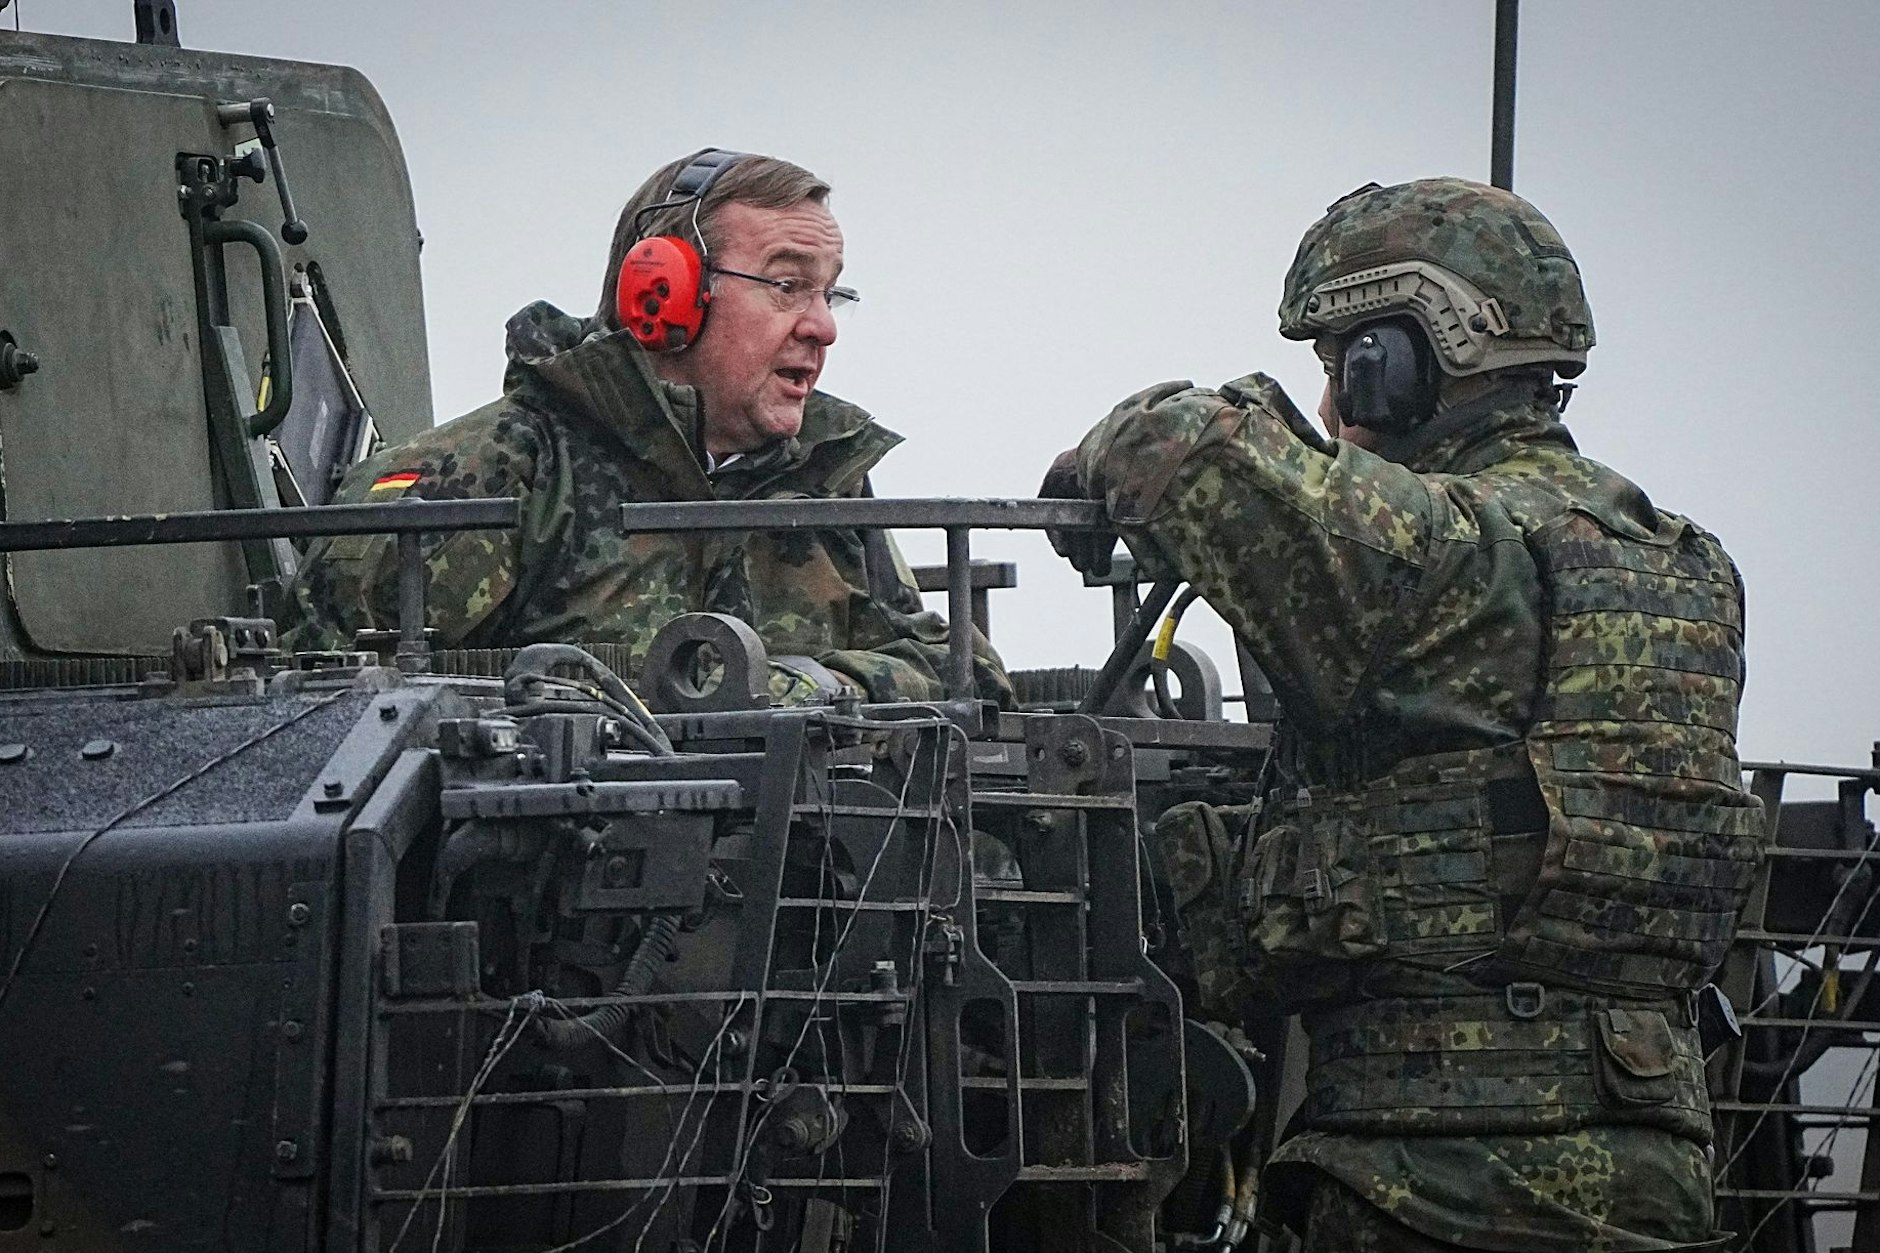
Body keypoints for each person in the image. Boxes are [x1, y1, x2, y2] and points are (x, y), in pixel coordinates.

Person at [1042, 178, 1761, 1251]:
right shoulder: (1683, 561)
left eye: (1339, 362)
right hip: (1653, 1154)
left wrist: (1098, 459)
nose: (1333, 401)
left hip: (1428, 1172)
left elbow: (1179, 440)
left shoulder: (1442, 551)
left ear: (1401, 358)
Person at [284, 148, 1010, 705]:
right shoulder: (488, 476)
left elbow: (960, 670)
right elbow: (305, 711)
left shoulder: (826, 479)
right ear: (665, 293)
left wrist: (806, 688)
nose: (822, 327)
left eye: (831, 292)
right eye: (788, 285)